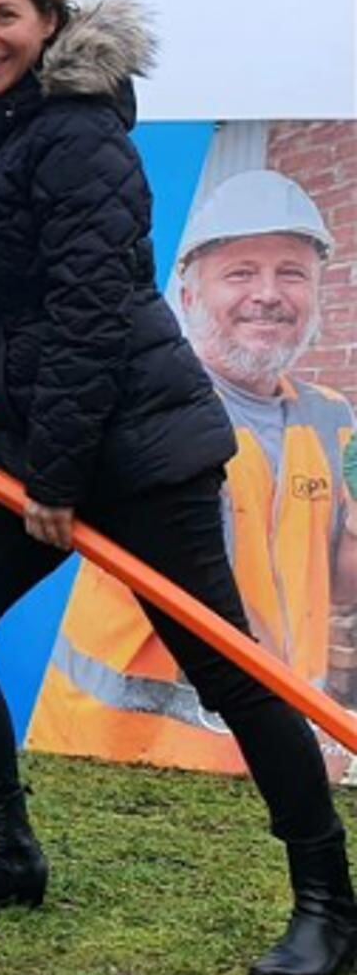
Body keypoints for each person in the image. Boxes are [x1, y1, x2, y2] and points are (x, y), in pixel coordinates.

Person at [0, 0, 357, 975]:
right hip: (32, 439)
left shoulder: (84, 135)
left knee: (227, 672)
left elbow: (91, 319)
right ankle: (9, 850)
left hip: (140, 446)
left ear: (48, 19)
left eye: (1, 14)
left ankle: (329, 902)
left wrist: (55, 483)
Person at [28, 170, 357, 777]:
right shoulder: (145, 408)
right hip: (117, 754)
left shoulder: (335, 419)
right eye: (240, 272)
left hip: (282, 751)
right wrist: (306, 727)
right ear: (187, 296)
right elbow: (207, 583)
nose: (268, 293)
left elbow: (346, 570)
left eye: (291, 273)